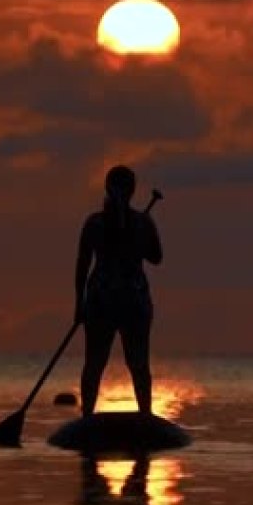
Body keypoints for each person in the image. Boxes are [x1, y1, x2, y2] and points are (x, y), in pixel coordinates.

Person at [74, 165, 163, 416]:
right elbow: (156, 257)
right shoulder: (134, 222)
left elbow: (155, 257)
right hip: (123, 302)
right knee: (131, 364)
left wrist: (79, 303)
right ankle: (141, 415)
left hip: (108, 302)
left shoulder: (97, 223)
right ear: (133, 191)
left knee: (99, 363)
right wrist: (79, 304)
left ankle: (90, 416)